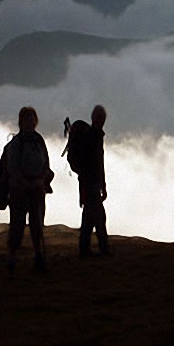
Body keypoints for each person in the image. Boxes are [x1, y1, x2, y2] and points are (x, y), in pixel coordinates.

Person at [5, 107, 53, 274]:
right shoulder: (17, 144)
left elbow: (46, 165)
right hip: (20, 191)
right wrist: (30, 183)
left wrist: (41, 180)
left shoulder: (38, 141)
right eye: (27, 118)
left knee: (37, 225)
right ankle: (12, 259)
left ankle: (37, 256)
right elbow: (13, 169)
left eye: (32, 118)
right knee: (17, 226)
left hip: (36, 190)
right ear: (21, 121)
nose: (30, 121)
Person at [78, 105, 110, 257]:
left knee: (89, 218)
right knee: (98, 217)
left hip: (92, 184)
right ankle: (103, 249)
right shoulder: (92, 136)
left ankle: (86, 249)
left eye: (102, 118)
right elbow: (95, 163)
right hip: (90, 184)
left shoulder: (96, 136)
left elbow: (99, 163)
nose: (101, 121)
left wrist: (103, 184)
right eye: (99, 118)